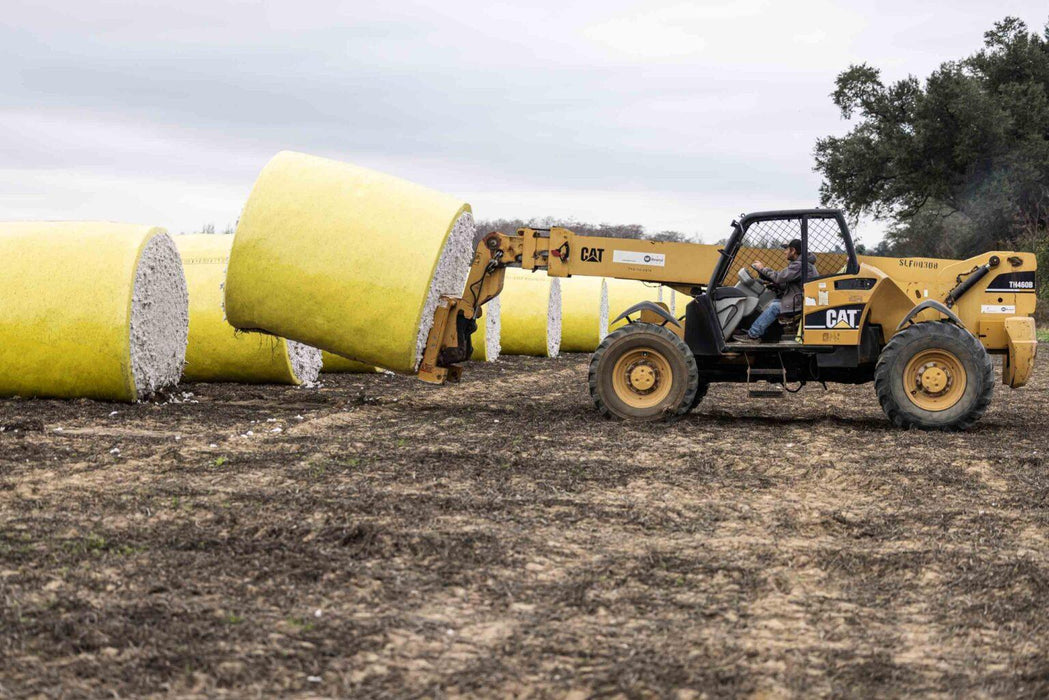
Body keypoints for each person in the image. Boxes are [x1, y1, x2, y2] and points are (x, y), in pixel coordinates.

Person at [733, 238, 817, 344]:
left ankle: (753, 336)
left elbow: (779, 277)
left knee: (774, 307)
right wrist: (770, 281)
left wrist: (762, 268)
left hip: (800, 302)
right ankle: (765, 333)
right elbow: (786, 282)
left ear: (793, 250)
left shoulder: (800, 265)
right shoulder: (802, 264)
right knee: (773, 303)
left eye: (786, 249)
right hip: (799, 299)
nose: (784, 252)